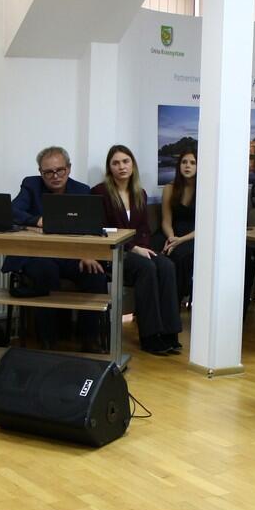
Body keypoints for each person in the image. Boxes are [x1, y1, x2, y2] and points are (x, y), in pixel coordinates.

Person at [2, 146, 107, 351]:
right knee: (45, 270)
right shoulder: (31, 186)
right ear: (40, 172)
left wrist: (88, 254)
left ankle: (89, 339)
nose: (55, 176)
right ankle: (47, 340)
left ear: (69, 168)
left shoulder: (82, 191)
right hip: (37, 255)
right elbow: (12, 211)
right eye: (48, 172)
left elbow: (91, 227)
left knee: (95, 274)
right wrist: (37, 220)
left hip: (72, 255)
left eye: (60, 170)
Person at [92, 145, 182, 355]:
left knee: (167, 266)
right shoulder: (99, 192)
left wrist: (143, 248)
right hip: (113, 252)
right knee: (146, 268)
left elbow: (143, 230)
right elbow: (101, 230)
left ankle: (170, 334)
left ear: (133, 165)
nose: (121, 167)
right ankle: (149, 337)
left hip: (139, 250)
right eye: (116, 163)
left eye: (126, 161)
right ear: (109, 168)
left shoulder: (139, 193)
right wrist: (133, 248)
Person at [160, 149, 197, 302]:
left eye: (193, 163)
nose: (187, 166)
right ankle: (165, 305)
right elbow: (166, 220)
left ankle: (177, 302)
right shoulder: (170, 188)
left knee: (181, 256)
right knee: (163, 254)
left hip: (194, 235)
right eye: (184, 162)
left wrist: (180, 240)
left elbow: (205, 227)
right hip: (173, 231)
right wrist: (171, 238)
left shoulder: (206, 189)